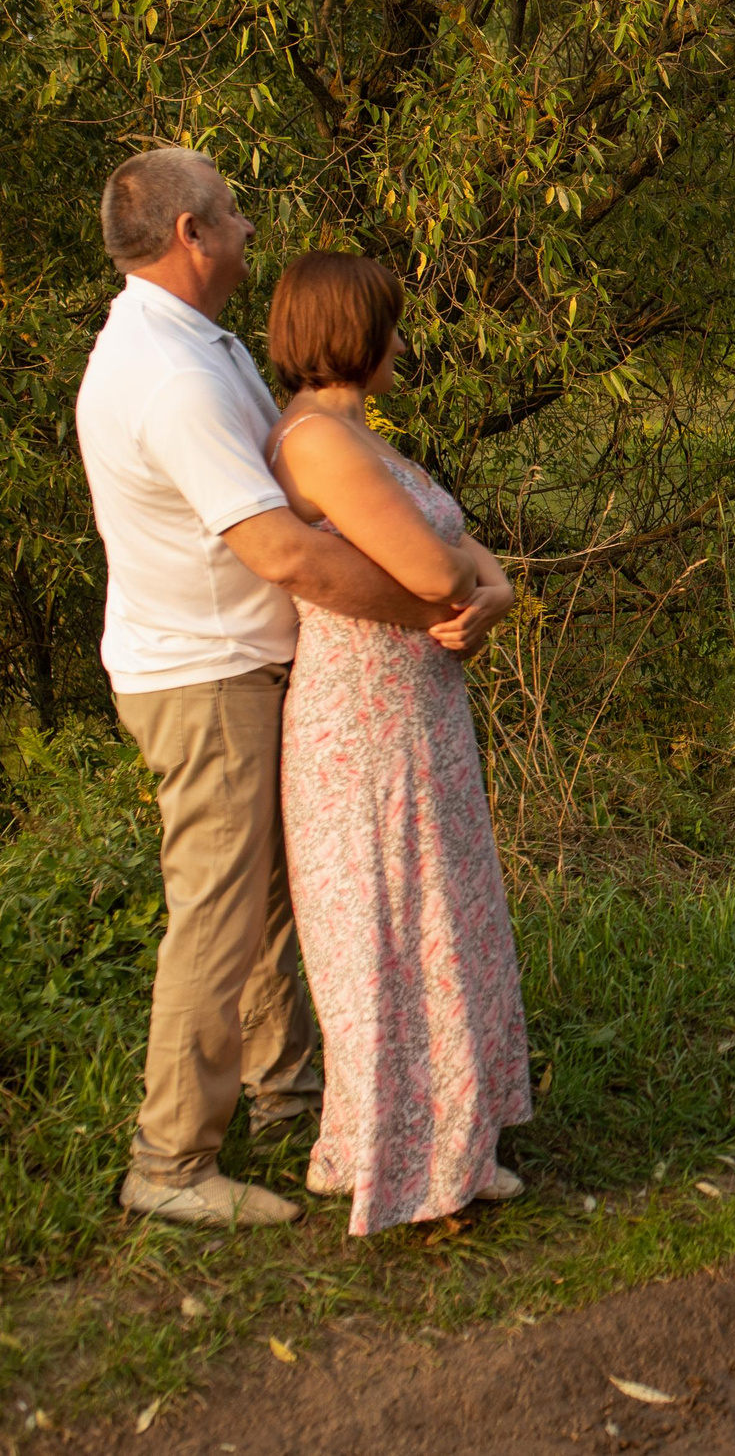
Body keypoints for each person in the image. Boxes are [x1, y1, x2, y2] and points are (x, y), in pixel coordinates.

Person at [77, 149, 476, 1229]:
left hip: (226, 665)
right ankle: (170, 1163)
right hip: (204, 675)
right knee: (217, 911)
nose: (251, 227)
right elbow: (287, 555)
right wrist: (429, 613)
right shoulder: (173, 377)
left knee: (256, 908)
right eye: (234, 213)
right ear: (190, 237)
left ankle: (296, 1099)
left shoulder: (193, 347)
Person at [265, 252, 530, 1235]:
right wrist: (475, 584)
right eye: (391, 324)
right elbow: (429, 568)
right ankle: (405, 1157)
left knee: (441, 923)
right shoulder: (315, 442)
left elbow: (468, 557)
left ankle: (453, 1138)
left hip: (419, 705)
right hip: (365, 720)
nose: (402, 343)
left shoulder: (360, 437)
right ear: (354, 332)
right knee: (389, 931)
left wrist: (493, 591)